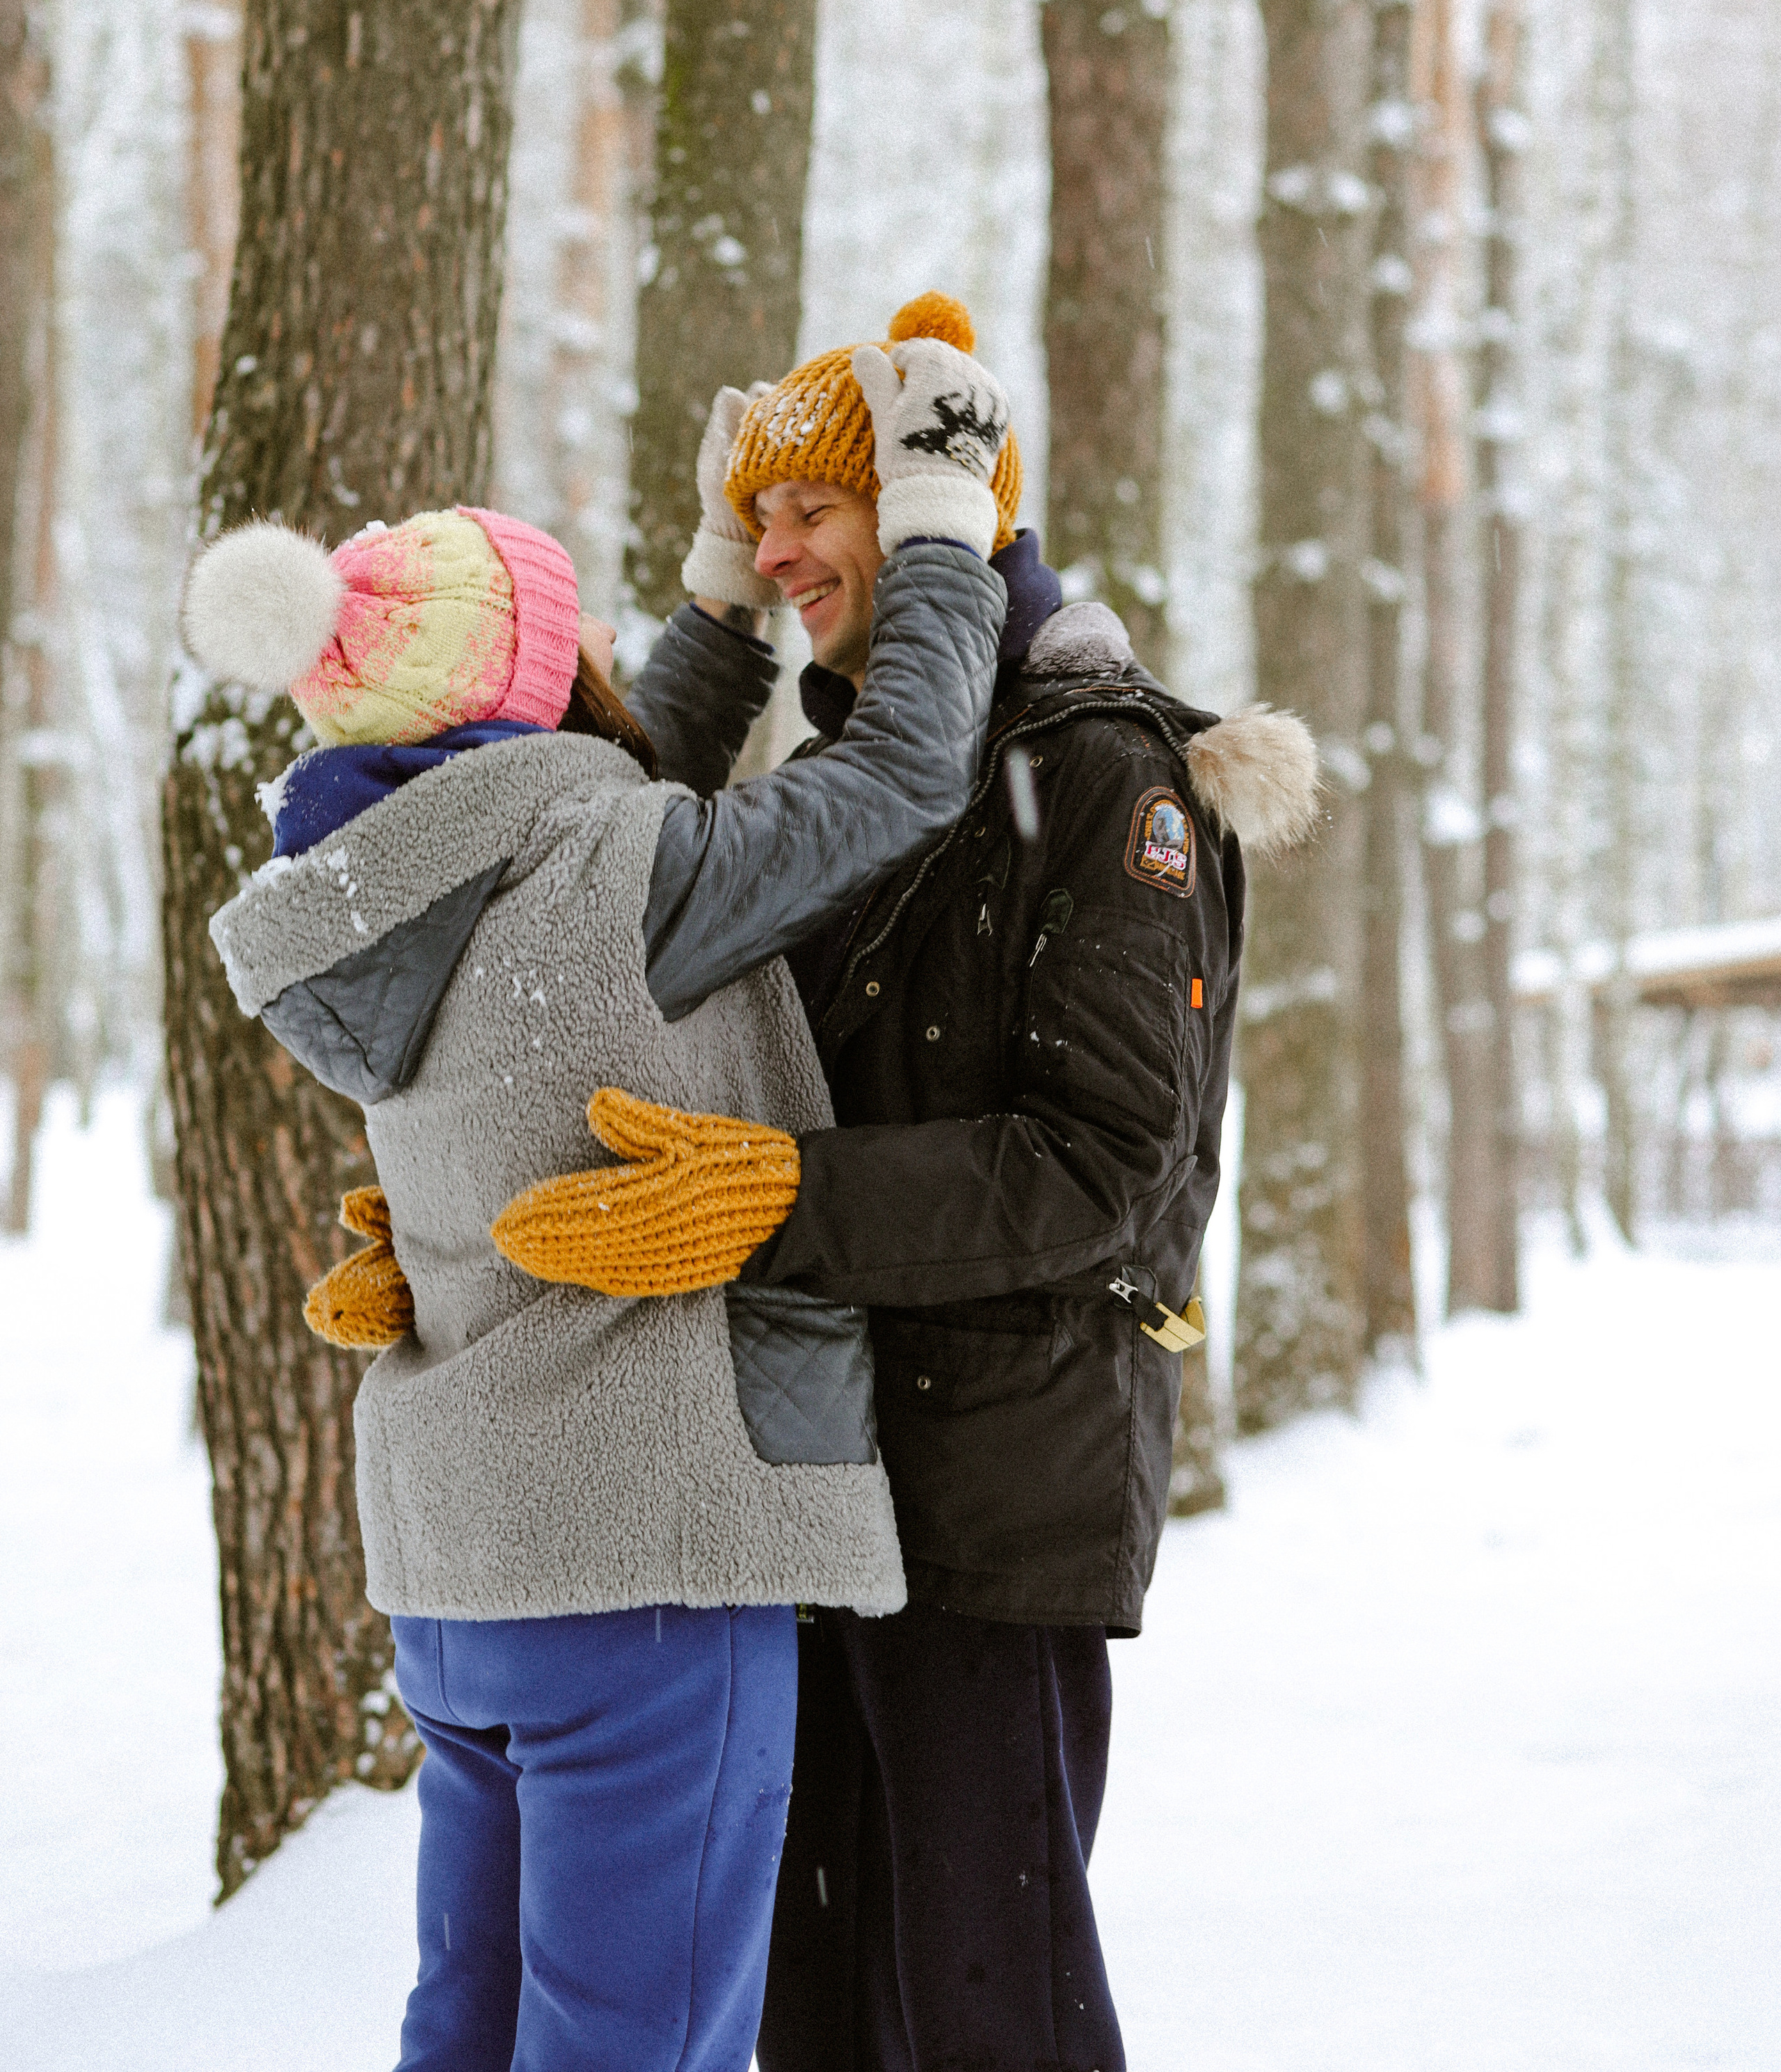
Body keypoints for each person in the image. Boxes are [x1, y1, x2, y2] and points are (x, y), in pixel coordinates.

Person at [495, 292, 1320, 2072]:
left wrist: (770, 1201)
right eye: (761, 514)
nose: (782, 549)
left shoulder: (1105, 778)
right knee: (818, 2012)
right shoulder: (869, 774)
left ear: (945, 517)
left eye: (817, 508)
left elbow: (1098, 1166)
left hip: (994, 1493)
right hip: (821, 1487)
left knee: (982, 2012)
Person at [187, 322, 1014, 2072]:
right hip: (642, 1563)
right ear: (535, 690)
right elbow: (899, 775)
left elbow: (591, 789)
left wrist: (722, 594)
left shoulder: (371, 890)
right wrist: (935, 521)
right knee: (633, 2047)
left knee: (471, 2025)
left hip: (461, 1576)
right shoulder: (599, 875)